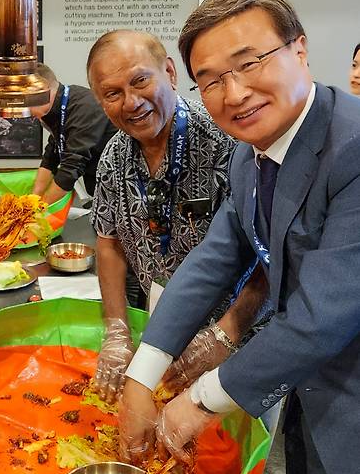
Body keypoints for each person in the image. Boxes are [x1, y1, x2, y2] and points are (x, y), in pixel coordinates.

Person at [119, 0, 360, 474]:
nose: (235, 93)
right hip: (314, 391)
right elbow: (212, 261)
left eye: (250, 63)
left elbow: (320, 318)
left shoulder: (353, 148)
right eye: (212, 78)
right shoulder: (249, 155)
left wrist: (199, 401)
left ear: (300, 49)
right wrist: (140, 377)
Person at [86, 29, 267, 403]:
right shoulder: (113, 158)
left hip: (239, 341)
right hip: (160, 335)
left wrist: (226, 334)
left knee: (229, 451)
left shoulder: (230, 144)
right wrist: (117, 330)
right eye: (113, 93)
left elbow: (271, 256)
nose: (132, 102)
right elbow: (109, 244)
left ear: (169, 72)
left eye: (140, 81)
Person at [29, 64, 117, 204]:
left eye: (27, 100)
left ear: (42, 90)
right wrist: (33, 198)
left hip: (120, 189)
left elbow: (71, 169)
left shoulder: (84, 107)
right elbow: (51, 156)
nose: (25, 109)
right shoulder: (58, 108)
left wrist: (37, 209)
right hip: (99, 189)